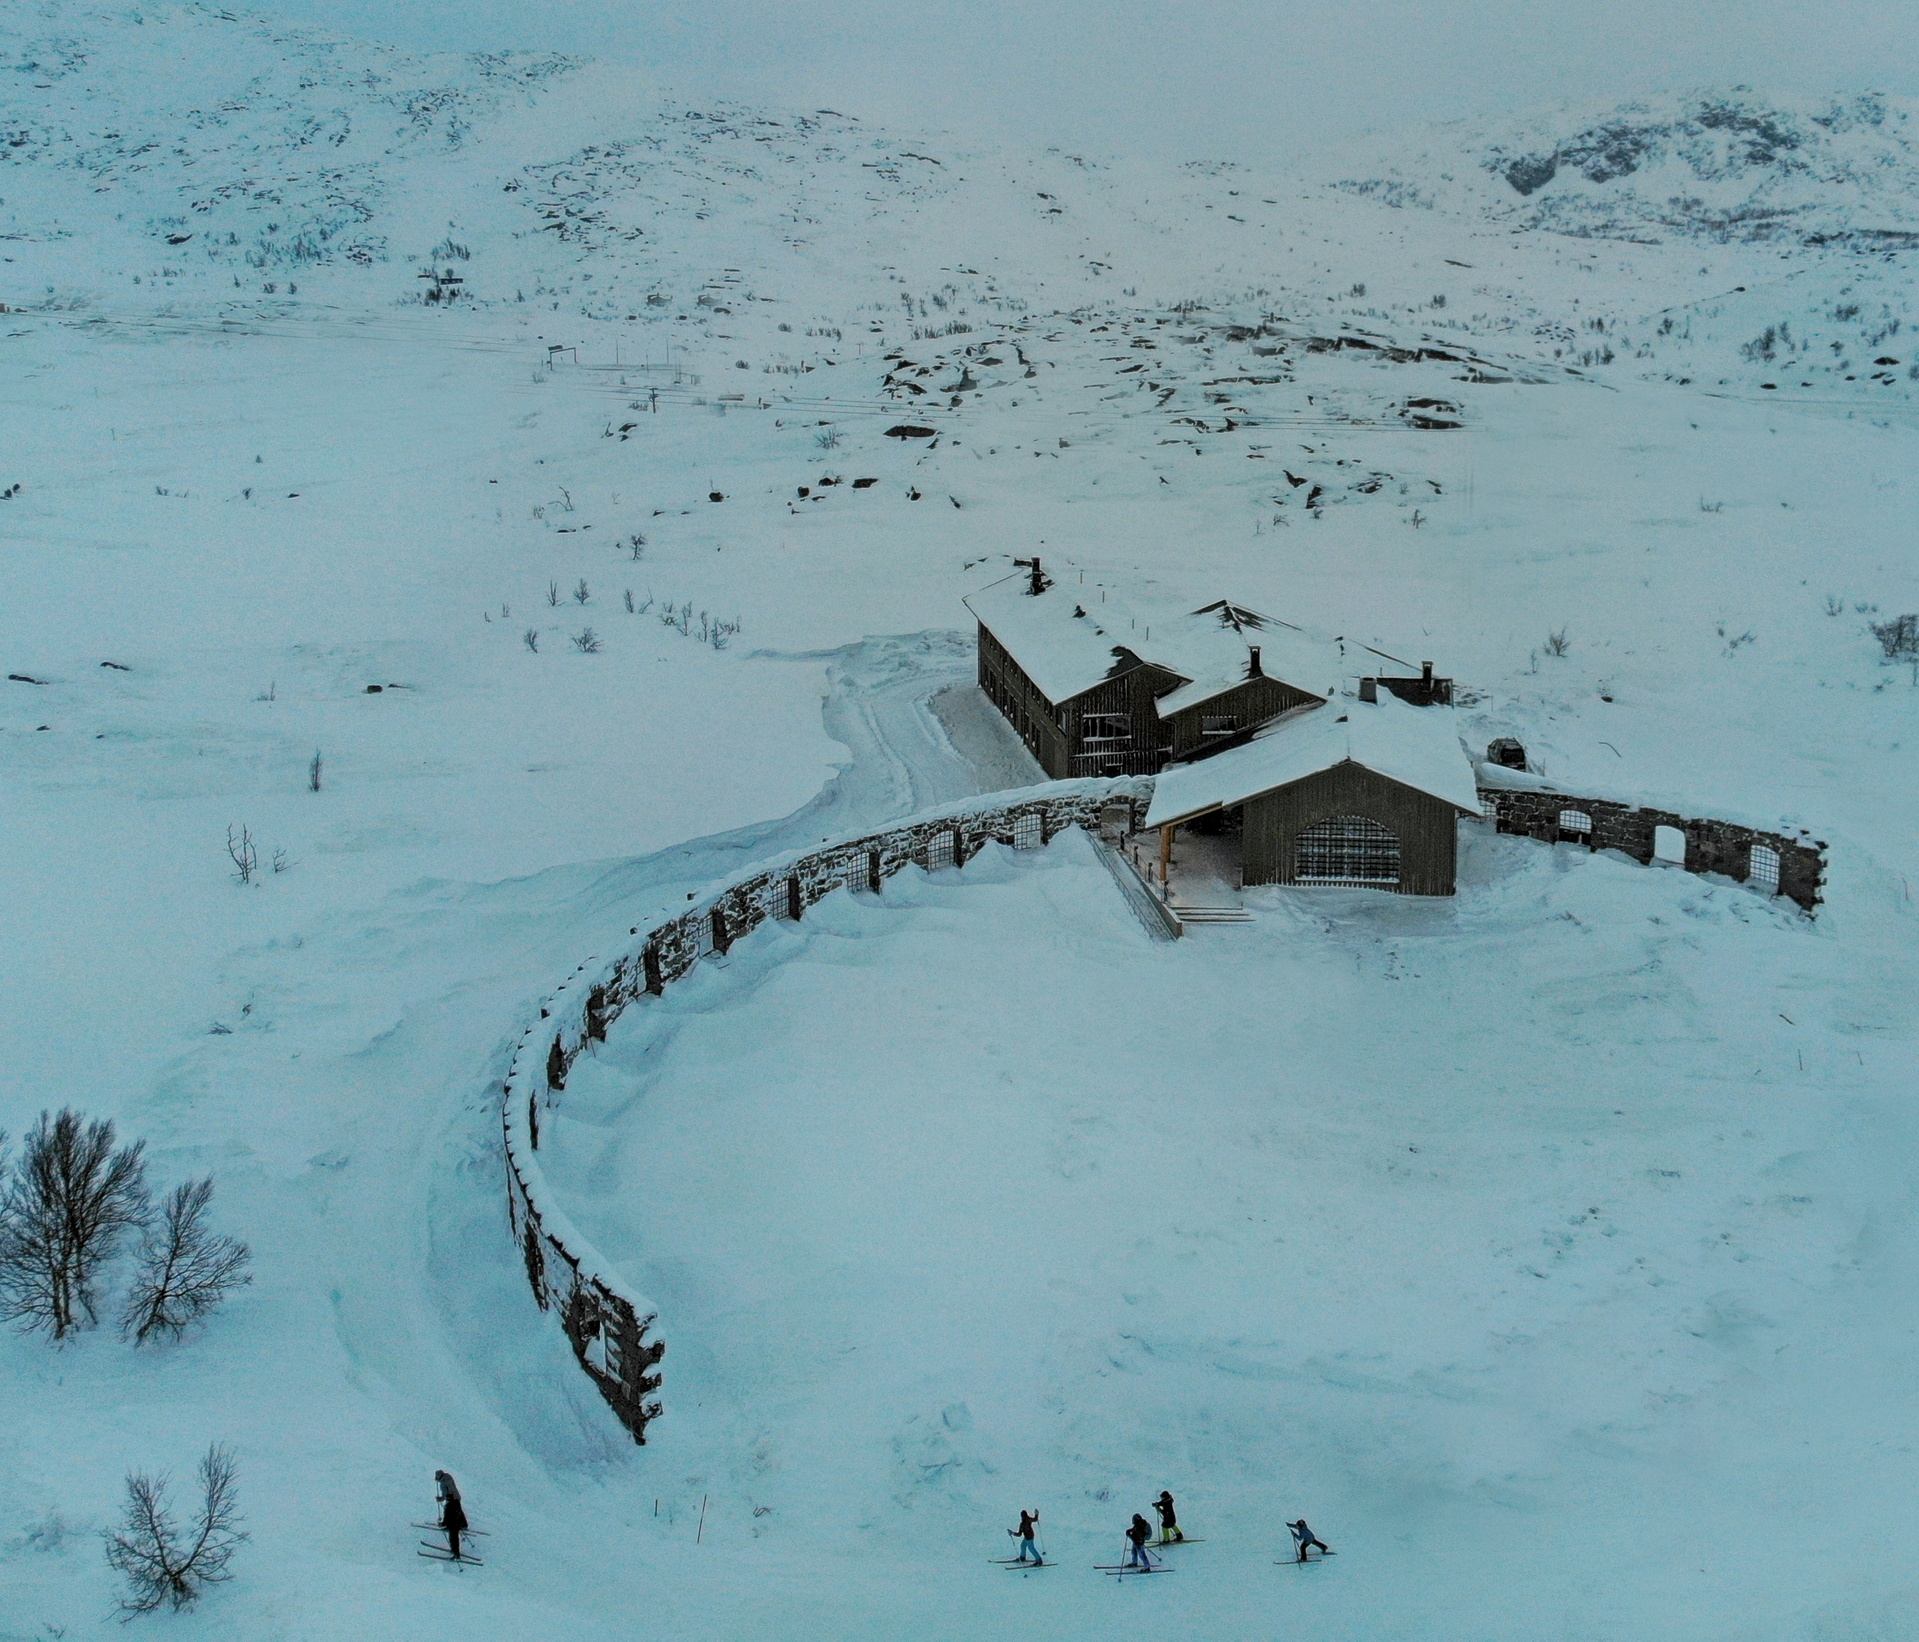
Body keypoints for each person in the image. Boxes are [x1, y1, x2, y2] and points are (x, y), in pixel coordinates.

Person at [436, 1470, 470, 1561]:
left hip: (451, 1501)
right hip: (456, 1499)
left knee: (453, 1529)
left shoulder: (443, 1482)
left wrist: (441, 1499)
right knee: (458, 1512)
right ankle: (463, 1524)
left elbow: (446, 1493)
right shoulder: (448, 1477)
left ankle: (456, 1553)